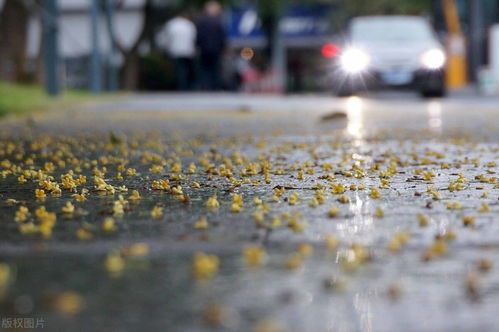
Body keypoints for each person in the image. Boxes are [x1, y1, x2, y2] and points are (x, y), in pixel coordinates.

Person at [157, 11, 197, 90]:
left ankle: (180, 86)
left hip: (175, 50)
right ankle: (185, 86)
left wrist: (165, 48)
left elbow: (166, 38)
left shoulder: (171, 24)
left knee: (178, 70)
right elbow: (194, 38)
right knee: (186, 70)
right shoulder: (189, 24)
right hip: (188, 51)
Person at [196, 1, 226, 90]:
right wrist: (223, 47)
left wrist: (198, 45)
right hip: (216, 49)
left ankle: (205, 86)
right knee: (216, 69)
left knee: (205, 69)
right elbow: (222, 36)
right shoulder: (219, 21)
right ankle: (216, 86)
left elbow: (199, 35)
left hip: (204, 48)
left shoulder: (201, 21)